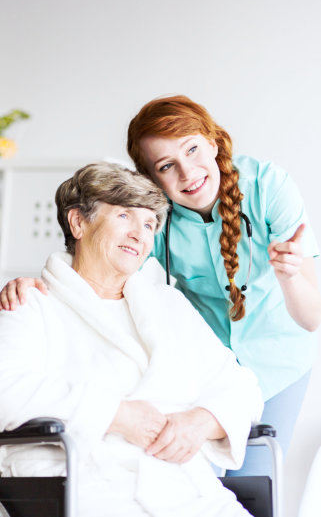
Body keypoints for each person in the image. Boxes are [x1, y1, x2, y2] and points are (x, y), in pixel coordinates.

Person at [1, 95, 320, 476]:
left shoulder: (267, 187)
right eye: (167, 166)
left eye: (193, 150)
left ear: (214, 144)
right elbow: (101, 268)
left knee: (254, 476)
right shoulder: (154, 219)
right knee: (204, 474)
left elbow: (313, 317)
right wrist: (39, 284)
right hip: (211, 354)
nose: (187, 174)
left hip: (277, 356)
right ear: (152, 177)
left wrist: (289, 275)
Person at [0, 162, 263, 517]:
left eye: (150, 224)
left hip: (182, 485)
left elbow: (241, 386)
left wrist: (200, 421)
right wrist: (115, 415)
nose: (141, 234)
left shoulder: (168, 305)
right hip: (86, 483)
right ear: (78, 223)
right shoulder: (31, 303)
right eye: (124, 216)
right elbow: (6, 390)